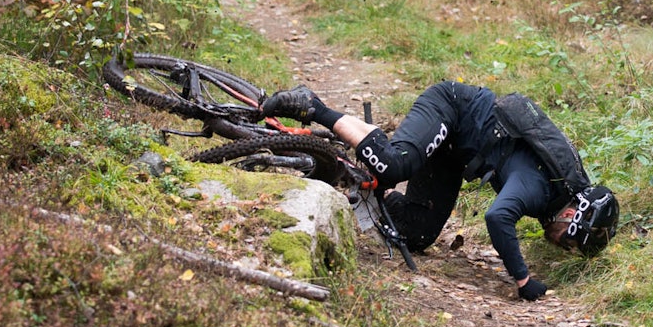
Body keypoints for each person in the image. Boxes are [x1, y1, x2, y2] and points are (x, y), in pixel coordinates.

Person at [261, 81, 619, 301]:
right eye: (570, 241)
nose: (562, 244)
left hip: (454, 155)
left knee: (416, 233)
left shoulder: (557, 190)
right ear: (571, 217)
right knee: (393, 165)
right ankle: (314, 106)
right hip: (451, 108)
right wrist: (523, 280)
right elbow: (497, 218)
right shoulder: (541, 190)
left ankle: (363, 183)